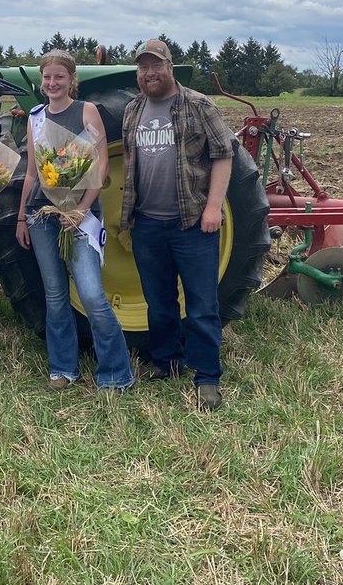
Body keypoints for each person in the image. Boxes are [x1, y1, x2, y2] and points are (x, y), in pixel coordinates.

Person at [120, 38, 233, 411]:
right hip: (147, 223)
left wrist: (213, 208)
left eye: (156, 65)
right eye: (143, 67)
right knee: (158, 301)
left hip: (191, 223)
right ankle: (167, 361)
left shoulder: (198, 104)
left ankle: (206, 376)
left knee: (201, 304)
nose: (149, 73)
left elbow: (223, 154)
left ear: (170, 67)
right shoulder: (133, 109)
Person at [16, 50, 133, 394]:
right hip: (42, 216)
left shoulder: (87, 111)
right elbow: (32, 174)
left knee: (92, 296)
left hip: (79, 217)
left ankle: (116, 372)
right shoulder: (35, 116)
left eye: (59, 77)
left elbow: (99, 166)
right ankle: (63, 367)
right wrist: (23, 215)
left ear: (71, 80)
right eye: (47, 77)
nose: (52, 83)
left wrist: (81, 208)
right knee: (54, 296)